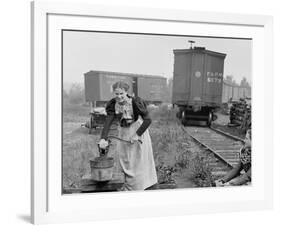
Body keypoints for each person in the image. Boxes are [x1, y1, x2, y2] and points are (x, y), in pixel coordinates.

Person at [98, 81, 158, 191]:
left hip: (137, 130)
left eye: (121, 94)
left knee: (137, 161)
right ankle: (128, 186)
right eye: (116, 94)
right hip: (123, 132)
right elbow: (108, 121)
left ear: (126, 92)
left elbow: (148, 120)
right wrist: (103, 138)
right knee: (125, 159)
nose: (119, 97)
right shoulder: (113, 104)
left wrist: (137, 135)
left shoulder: (135, 102)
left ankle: (138, 187)